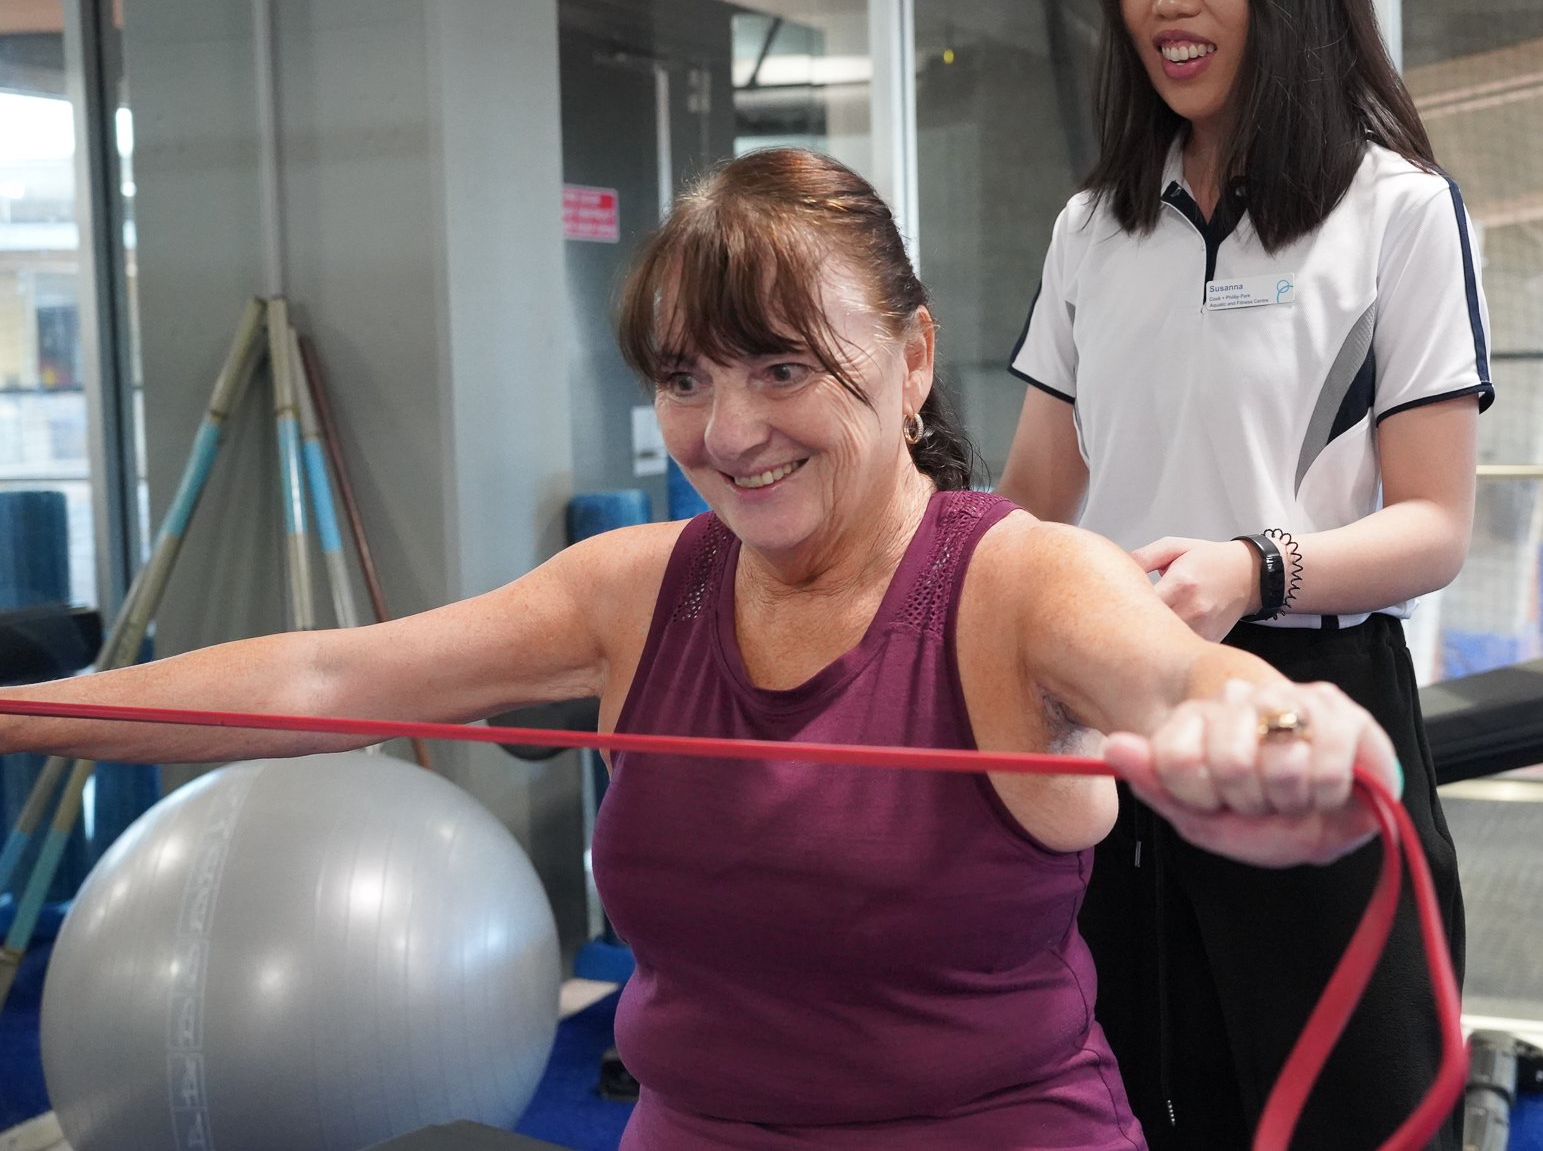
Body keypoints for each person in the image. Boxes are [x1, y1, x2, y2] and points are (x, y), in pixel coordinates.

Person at [3, 147, 1409, 1151]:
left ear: (914, 360)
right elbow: (329, 679)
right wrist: (18, 711)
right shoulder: (636, 590)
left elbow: (1186, 680)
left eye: (782, 368)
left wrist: (1282, 731)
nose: (727, 434)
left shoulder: (1020, 579)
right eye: (684, 378)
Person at [999, 0, 1493, 1151]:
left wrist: (1253, 566)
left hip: (1308, 705)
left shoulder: (1399, 212)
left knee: (1353, 1106)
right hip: (1117, 700)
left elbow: (1435, 525)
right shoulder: (1091, 228)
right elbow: (1035, 490)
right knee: (1138, 1089)